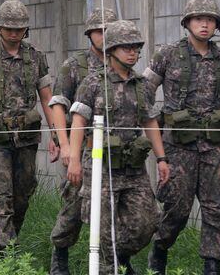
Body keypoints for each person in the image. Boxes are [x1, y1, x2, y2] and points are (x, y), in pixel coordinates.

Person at [144, 0, 220, 275]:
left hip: (213, 148)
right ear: (187, 23)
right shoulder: (167, 54)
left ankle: (213, 266)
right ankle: (159, 251)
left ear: (217, 25)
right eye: (199, 19)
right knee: (177, 209)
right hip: (177, 148)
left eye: (210, 20)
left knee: (214, 209)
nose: (205, 24)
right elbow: (143, 94)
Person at [67, 20, 169, 274]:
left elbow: (150, 122)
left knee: (146, 223)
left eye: (136, 47)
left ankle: (119, 257)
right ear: (112, 50)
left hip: (133, 170)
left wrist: (161, 158)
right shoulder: (93, 83)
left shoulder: (142, 85)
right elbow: (78, 122)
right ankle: (108, 266)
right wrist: (75, 160)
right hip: (101, 168)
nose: (133, 52)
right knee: (101, 231)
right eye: (126, 48)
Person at [0, 0, 58, 252]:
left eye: (19, 29)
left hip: (27, 138)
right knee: (1, 193)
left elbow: (48, 98)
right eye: (9, 28)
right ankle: (5, 250)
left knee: (24, 193)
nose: (14, 33)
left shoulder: (36, 57)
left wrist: (57, 137)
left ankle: (11, 238)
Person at [48, 8, 117, 274]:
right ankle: (60, 253)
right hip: (83, 150)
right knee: (74, 208)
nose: (104, 36)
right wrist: (65, 146)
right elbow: (58, 105)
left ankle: (115, 260)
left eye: (109, 30)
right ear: (90, 34)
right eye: (99, 31)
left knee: (115, 210)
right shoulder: (74, 65)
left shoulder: (121, 63)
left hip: (115, 152)